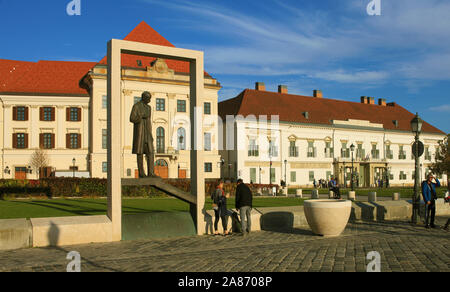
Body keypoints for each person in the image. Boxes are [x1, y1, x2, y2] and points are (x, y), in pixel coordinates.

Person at [130, 91, 155, 178]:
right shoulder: (136, 106)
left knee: (151, 152)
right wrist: (140, 117)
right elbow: (132, 118)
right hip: (140, 133)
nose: (149, 100)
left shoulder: (149, 108)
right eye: (148, 98)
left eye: (150, 98)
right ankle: (141, 173)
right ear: (143, 97)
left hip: (147, 133)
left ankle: (151, 173)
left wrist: (151, 134)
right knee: (139, 153)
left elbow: (149, 121)